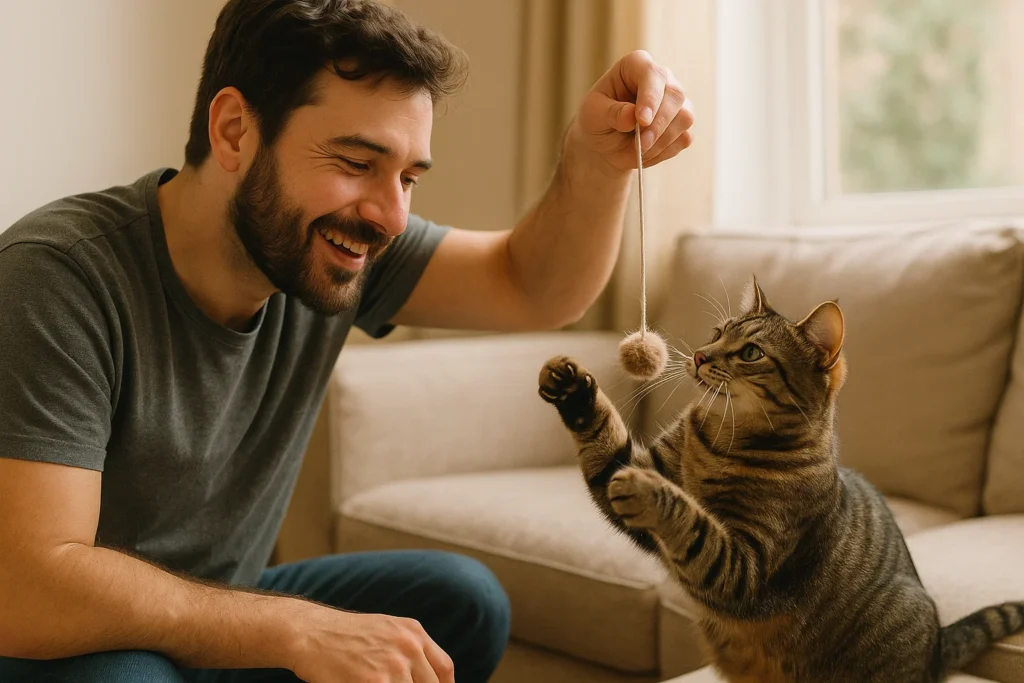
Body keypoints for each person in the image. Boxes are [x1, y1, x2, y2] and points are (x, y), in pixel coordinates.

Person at [0, 0, 694, 681]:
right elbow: (27, 588)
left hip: (207, 619)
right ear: (235, 130)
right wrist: (294, 628)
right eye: (357, 162)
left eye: (409, 177)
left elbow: (530, 285)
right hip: (56, 640)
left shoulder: (327, 246)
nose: (390, 216)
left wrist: (598, 162)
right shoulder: (57, 276)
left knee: (460, 602)